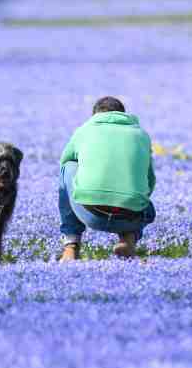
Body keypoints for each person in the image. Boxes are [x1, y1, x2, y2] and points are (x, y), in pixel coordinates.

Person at [58, 96, 156, 261]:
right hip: (130, 218)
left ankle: (71, 245)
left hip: (91, 215)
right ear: (123, 115)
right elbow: (150, 182)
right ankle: (128, 239)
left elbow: (63, 161)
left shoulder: (84, 130)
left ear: (95, 116)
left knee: (68, 168)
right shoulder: (142, 135)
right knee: (146, 205)